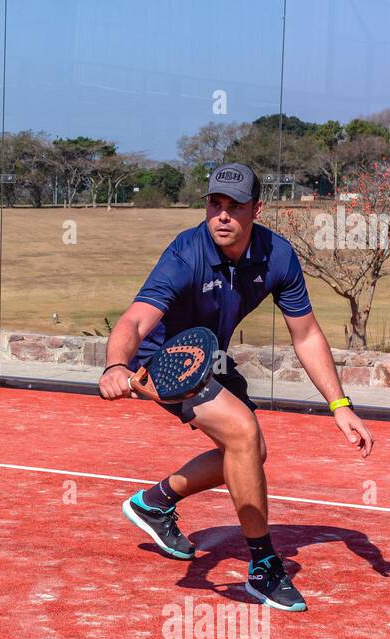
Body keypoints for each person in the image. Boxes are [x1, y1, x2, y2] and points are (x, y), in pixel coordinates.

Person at [99, 163, 373, 612]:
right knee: (243, 432)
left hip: (211, 355)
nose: (223, 216)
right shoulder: (186, 254)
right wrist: (116, 364)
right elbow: (135, 318)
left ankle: (154, 503)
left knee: (250, 451)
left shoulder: (278, 256)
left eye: (235, 207)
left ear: (256, 210)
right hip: (163, 361)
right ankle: (263, 566)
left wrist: (339, 404)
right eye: (215, 204)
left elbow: (305, 334)